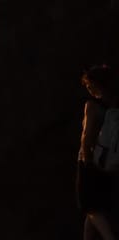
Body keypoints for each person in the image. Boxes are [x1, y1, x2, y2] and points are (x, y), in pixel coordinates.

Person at [79, 65, 118, 240]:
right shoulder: (112, 106)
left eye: (89, 85)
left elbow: (87, 137)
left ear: (96, 84)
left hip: (90, 162)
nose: (88, 89)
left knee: (90, 208)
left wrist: (87, 163)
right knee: (93, 215)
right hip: (108, 163)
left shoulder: (92, 106)